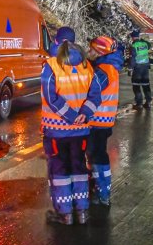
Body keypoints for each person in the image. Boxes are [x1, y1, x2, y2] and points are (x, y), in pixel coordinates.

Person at [41, 40, 107, 225]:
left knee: (60, 171)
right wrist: (84, 114)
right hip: (80, 132)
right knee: (78, 169)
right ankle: (82, 211)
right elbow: (96, 95)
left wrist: (70, 116)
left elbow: (51, 97)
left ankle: (65, 214)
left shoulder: (51, 67)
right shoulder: (87, 68)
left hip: (57, 131)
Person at [86, 36, 123, 206]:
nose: (89, 51)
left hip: (97, 121)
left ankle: (102, 192)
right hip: (104, 121)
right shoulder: (109, 67)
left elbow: (91, 92)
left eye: (92, 49)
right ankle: (101, 191)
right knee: (97, 155)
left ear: (99, 51)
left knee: (97, 156)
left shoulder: (103, 70)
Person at [128, 30, 152, 110]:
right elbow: (149, 45)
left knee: (136, 85)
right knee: (146, 85)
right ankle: (148, 103)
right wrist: (143, 40)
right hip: (145, 67)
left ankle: (139, 104)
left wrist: (130, 68)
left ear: (132, 37)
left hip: (138, 68)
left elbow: (133, 58)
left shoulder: (134, 45)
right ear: (138, 36)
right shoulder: (145, 44)